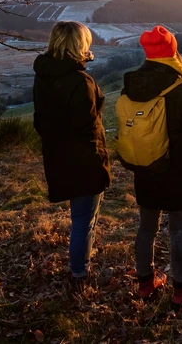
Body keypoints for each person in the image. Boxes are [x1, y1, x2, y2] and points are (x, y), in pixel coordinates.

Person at [119, 25, 182, 308]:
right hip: (178, 171)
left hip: (145, 167)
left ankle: (146, 283)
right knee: (179, 230)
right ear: (172, 51)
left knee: (146, 228)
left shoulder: (131, 84)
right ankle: (181, 288)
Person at [32, 21, 112, 289]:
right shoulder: (80, 80)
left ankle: (82, 258)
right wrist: (99, 164)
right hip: (84, 160)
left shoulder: (43, 75)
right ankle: (80, 272)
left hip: (57, 156)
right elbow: (87, 129)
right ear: (80, 45)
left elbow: (40, 120)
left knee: (80, 218)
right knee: (83, 220)